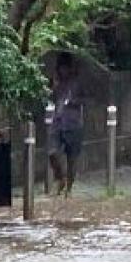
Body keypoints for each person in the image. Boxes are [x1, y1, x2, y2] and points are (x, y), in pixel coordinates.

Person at [48, 52, 85, 197]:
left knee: (72, 158)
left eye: (65, 68)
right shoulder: (57, 83)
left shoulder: (78, 83)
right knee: (52, 152)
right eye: (60, 68)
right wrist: (52, 87)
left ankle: (69, 189)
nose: (62, 71)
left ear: (69, 68)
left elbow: (86, 99)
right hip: (58, 122)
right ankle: (60, 178)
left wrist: (73, 101)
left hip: (74, 123)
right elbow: (50, 97)